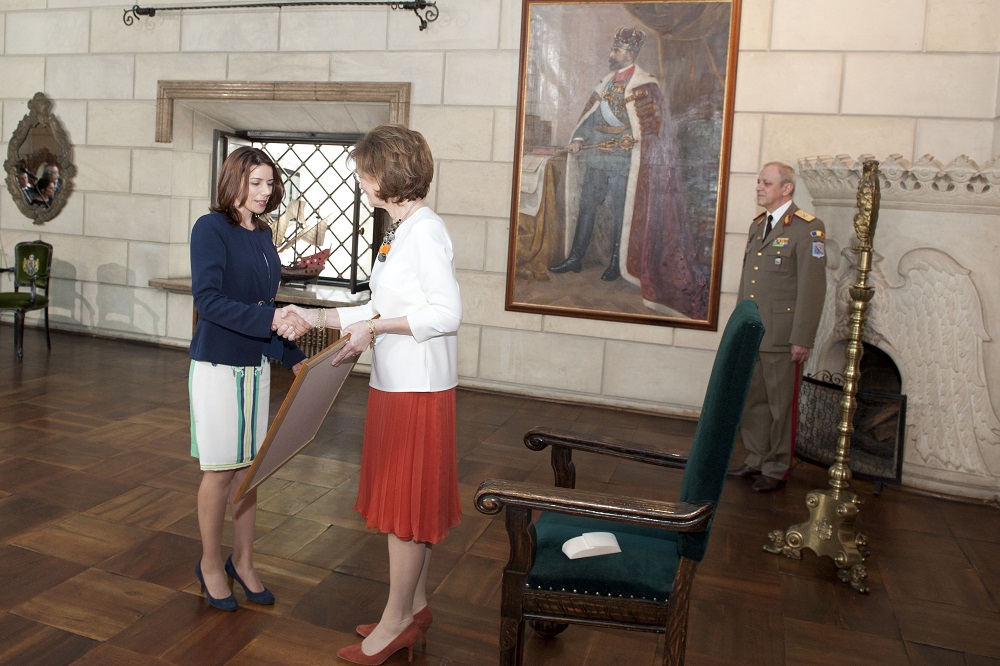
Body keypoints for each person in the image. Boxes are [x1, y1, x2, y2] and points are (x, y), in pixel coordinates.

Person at [278, 124, 462, 665]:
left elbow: (445, 314)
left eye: (364, 173)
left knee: (406, 508)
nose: (360, 183)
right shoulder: (400, 230)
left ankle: (395, 620)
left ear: (387, 174)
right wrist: (316, 315)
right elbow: (377, 309)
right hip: (397, 383)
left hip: (418, 390)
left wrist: (377, 331)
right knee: (409, 505)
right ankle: (415, 603)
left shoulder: (425, 231)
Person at [188, 146, 312, 611]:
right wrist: (276, 322)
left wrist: (295, 357)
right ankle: (210, 564)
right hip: (218, 367)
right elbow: (210, 301)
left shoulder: (262, 234)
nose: (264, 192)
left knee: (248, 474)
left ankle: (244, 561)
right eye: (254, 182)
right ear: (234, 181)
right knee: (219, 472)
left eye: (269, 183)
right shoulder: (210, 228)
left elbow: (263, 309)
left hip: (254, 368)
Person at [547, 26, 707, 318]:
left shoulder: (645, 85)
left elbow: (653, 130)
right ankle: (575, 258)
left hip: (624, 161)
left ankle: (615, 264)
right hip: (598, 157)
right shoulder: (606, 83)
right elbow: (590, 115)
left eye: (617, 51)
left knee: (623, 213)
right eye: (613, 49)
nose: (612, 54)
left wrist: (636, 141)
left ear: (630, 53)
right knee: (587, 208)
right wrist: (579, 139)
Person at [729, 161, 827, 493]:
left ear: (786, 188)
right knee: (753, 401)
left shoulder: (807, 229)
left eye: (766, 183)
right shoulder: (759, 225)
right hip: (754, 332)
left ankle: (776, 466)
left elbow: (812, 289)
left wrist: (802, 337)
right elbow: (748, 283)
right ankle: (755, 457)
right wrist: (740, 327)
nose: (759, 187)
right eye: (758, 181)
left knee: (780, 405)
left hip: (783, 337)